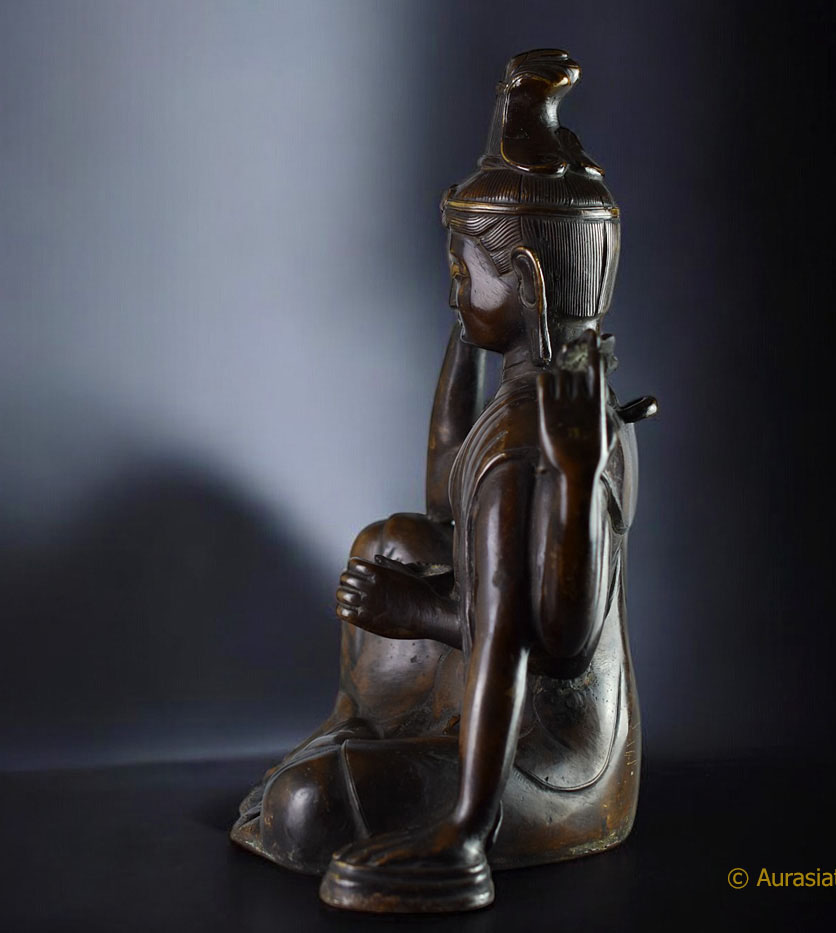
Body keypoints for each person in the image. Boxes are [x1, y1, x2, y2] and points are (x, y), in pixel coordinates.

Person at [230, 49, 656, 913]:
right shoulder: (560, 396)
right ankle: (365, 730)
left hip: (542, 759)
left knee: (303, 806)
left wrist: (463, 824)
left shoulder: (544, 443)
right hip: (502, 701)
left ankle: (448, 820)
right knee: (394, 540)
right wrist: (470, 329)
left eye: (464, 276)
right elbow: (442, 499)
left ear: (525, 279)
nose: (454, 292)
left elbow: (547, 641)